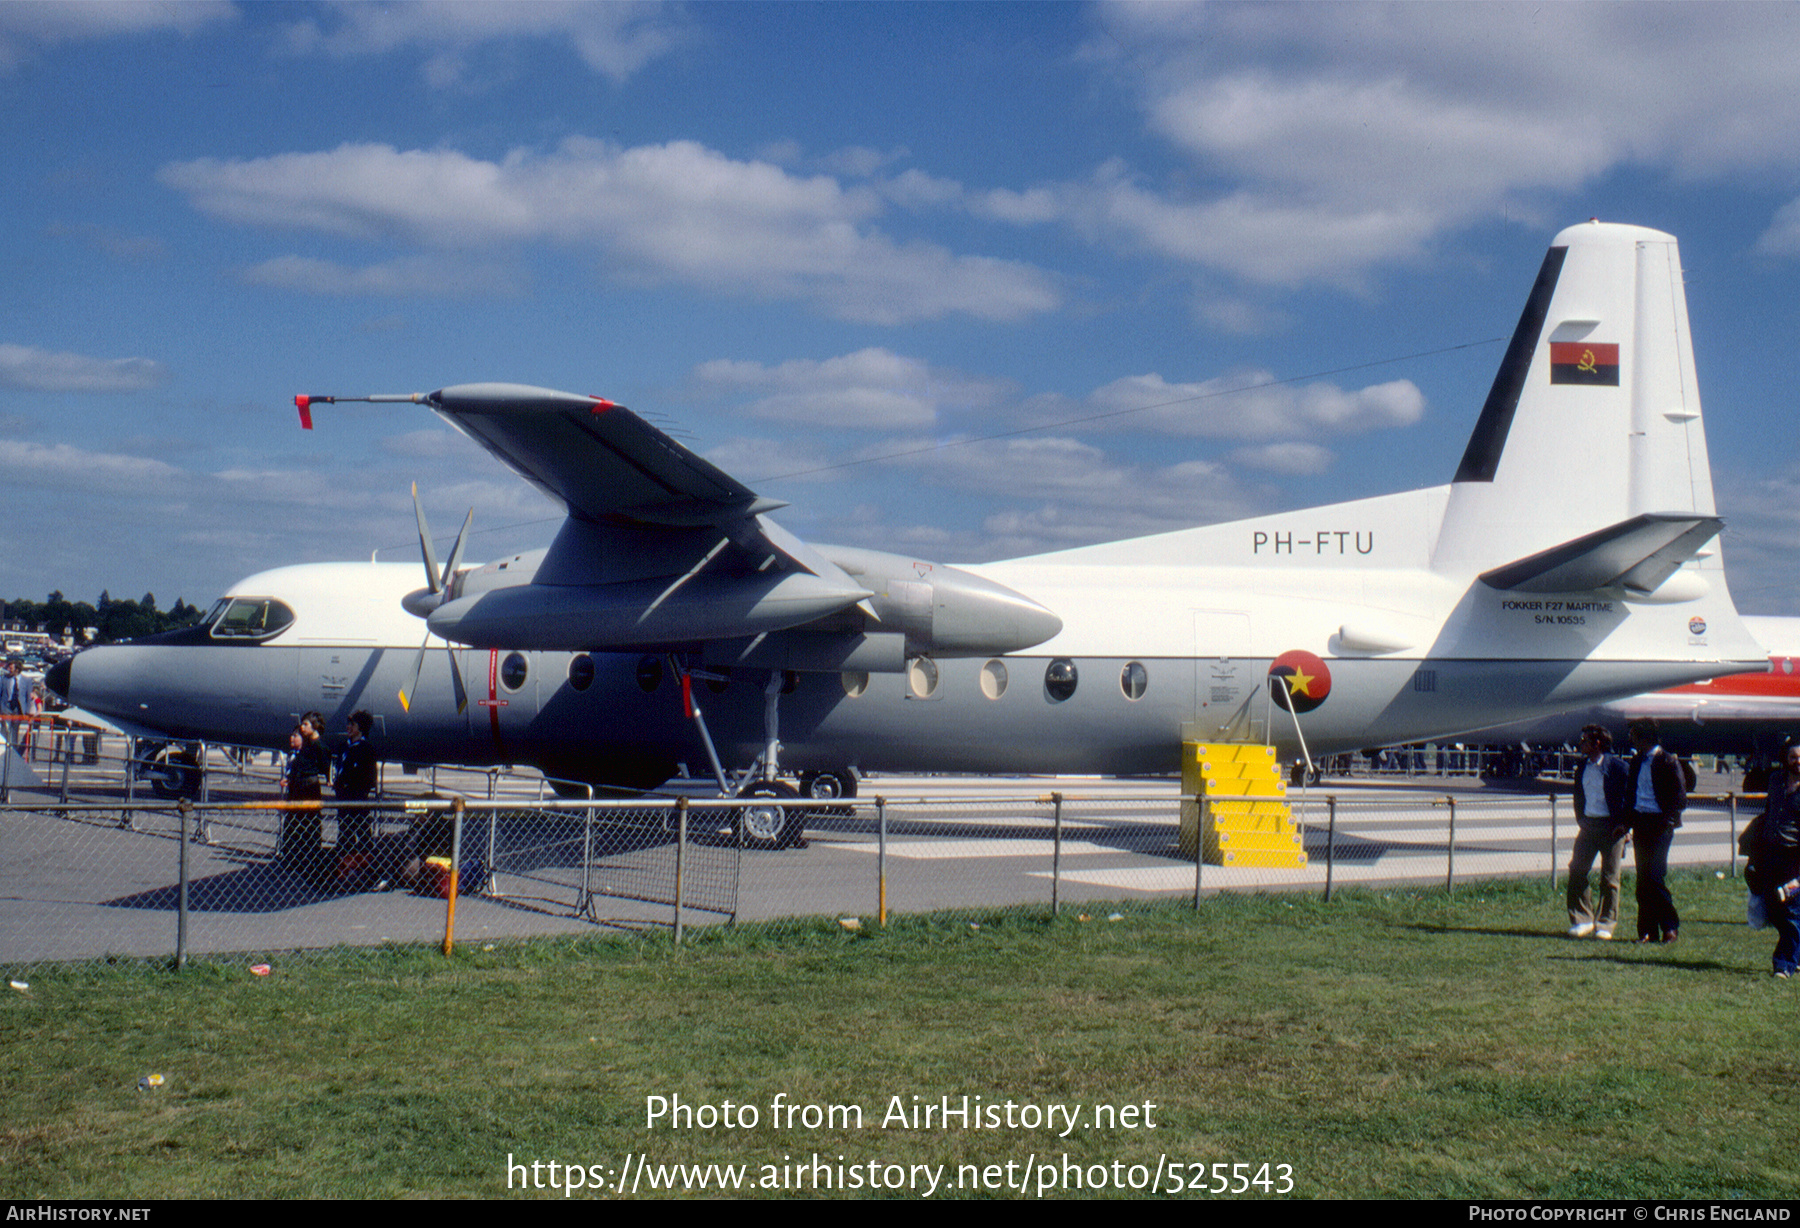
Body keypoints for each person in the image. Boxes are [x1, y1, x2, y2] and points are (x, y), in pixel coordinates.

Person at [1567, 724, 1631, 939]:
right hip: (1588, 826)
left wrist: (1625, 825)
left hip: (1612, 828)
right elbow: (1579, 797)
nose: (1580, 744)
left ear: (1597, 743)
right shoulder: (1582, 767)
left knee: (1610, 877)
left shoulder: (1618, 767)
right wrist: (1581, 820)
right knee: (1577, 870)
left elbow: (1630, 798)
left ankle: (1605, 923)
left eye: (1584, 740)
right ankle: (1582, 919)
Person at [1626, 717, 1687, 943]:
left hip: (1660, 825)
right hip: (1641, 822)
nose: (1631, 740)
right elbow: (1630, 795)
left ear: (1644, 738)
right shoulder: (1636, 762)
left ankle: (1670, 926)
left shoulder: (1668, 761)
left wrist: (1668, 821)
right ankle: (1647, 931)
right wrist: (1626, 822)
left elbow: (1680, 798)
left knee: (1655, 876)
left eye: (1633, 736)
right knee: (1643, 879)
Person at [1748, 741, 1800, 979]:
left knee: (1790, 911)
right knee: (1773, 908)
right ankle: (1796, 953)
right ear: (1785, 759)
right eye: (1793, 757)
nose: (1797, 762)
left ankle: (1784, 964)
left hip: (1794, 857)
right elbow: (1769, 812)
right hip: (1770, 853)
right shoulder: (1776, 781)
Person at [334, 710, 378, 860]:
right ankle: (345, 866)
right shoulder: (344, 747)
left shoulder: (366, 749)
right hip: (343, 799)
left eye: (352, 724)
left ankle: (370, 868)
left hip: (357, 800)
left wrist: (354, 786)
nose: (348, 727)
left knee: (363, 833)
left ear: (360, 727)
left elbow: (369, 778)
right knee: (345, 834)